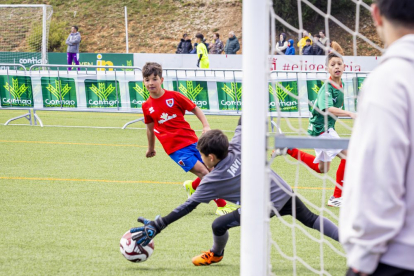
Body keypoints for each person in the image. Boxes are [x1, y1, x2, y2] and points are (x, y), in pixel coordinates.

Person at [130, 118, 340, 266]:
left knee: (218, 225)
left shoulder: (212, 180)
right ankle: (349, 239)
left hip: (261, 206)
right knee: (311, 219)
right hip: (282, 191)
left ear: (211, 157)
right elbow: (244, 120)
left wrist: (158, 225)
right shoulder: (236, 145)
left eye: (202, 155)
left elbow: (187, 207)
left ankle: (216, 254)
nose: (201, 158)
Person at [340, 0, 414, 275]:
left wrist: (363, 257)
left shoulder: (391, 79)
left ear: (376, 14)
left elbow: (379, 180)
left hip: (397, 257)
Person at [141, 62, 235, 215]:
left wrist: (206, 125)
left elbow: (195, 108)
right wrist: (151, 148)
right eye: (147, 80)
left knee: (213, 169)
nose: (151, 83)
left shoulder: (174, 96)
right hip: (175, 149)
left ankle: (193, 187)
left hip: (193, 141)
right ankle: (222, 206)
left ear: (162, 80)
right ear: (143, 81)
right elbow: (150, 130)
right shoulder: (147, 106)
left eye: (154, 79)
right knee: (205, 173)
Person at [275, 53, 356, 207]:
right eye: (332, 65)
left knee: (322, 168)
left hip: (326, 129)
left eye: (339, 63)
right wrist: (349, 113)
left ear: (345, 66)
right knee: (349, 156)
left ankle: (289, 150)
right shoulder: (327, 87)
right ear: (327, 69)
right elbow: (327, 108)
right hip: (320, 130)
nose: (336, 67)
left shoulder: (341, 85)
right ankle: (337, 197)